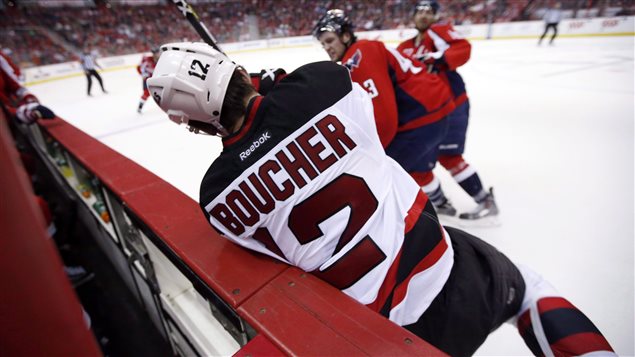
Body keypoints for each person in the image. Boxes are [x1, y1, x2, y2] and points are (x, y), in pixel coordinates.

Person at [147, 42, 615, 357]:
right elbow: (294, 96)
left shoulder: (217, 200)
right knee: (528, 291)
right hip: (449, 276)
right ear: (234, 70)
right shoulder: (324, 86)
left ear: (194, 125)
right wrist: (263, 89)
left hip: (379, 335)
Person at [312, 10, 458, 219]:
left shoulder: (359, 55)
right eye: (323, 44)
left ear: (345, 36)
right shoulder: (359, 53)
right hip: (429, 113)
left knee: (381, 173)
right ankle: (441, 204)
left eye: (329, 40)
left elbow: (385, 119)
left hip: (423, 117)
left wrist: (371, 153)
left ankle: (408, 225)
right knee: (416, 170)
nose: (327, 48)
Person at [397, 0, 498, 220]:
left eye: (429, 12)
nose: (424, 16)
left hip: (451, 105)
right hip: (424, 112)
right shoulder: (405, 47)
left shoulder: (439, 33)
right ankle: (441, 203)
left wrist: (441, 58)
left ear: (435, 16)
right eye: (420, 12)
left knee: (450, 157)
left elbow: (463, 48)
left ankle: (485, 201)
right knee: (418, 162)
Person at [136, 49, 159, 113]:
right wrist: (143, 74)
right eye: (156, 53)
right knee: (146, 93)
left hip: (156, 79)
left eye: (158, 53)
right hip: (147, 79)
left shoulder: (161, 60)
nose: (157, 55)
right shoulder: (147, 60)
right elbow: (138, 67)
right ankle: (140, 107)